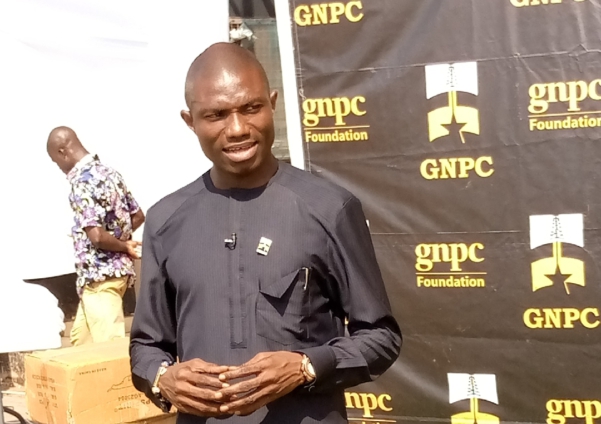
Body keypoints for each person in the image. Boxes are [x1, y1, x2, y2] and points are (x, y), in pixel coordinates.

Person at [130, 43, 401, 424]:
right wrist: (163, 379)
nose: (237, 129)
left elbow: (381, 337)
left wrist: (306, 366)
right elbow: (146, 346)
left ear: (272, 104)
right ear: (190, 121)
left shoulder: (329, 208)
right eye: (216, 115)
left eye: (251, 108)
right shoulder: (165, 220)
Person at [47, 127, 145, 346]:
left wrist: (123, 246)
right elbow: (137, 216)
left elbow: (97, 237)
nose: (59, 168)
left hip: (100, 278)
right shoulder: (109, 173)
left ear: (63, 152)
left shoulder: (82, 182)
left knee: (108, 348)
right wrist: (122, 240)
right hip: (108, 278)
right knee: (81, 344)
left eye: (56, 161)